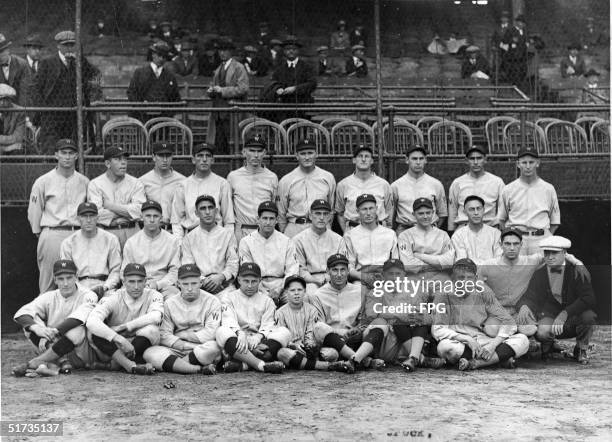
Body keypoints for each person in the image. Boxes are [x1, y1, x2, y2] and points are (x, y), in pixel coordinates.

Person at [433, 258, 529, 370]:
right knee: (444, 347)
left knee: (523, 340)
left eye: (469, 278)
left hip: (483, 340)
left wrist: (493, 345)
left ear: (475, 279)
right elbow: (437, 329)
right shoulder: (443, 295)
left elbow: (509, 321)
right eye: (461, 278)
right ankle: (497, 360)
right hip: (459, 341)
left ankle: (477, 363)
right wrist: (468, 340)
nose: (465, 282)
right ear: (453, 279)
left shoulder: (484, 292)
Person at [517, 236, 596, 364]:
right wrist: (524, 306)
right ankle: (548, 346)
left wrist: (566, 313)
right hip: (550, 316)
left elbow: (589, 298)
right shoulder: (539, 273)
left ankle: (581, 349)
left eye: (554, 253)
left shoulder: (577, 271)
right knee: (542, 332)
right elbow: (530, 295)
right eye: (547, 253)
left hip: (573, 317)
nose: (550, 257)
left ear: (564, 253)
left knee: (588, 317)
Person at [12, 259, 98, 377]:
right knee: (31, 323)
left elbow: (79, 317)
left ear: (76, 277)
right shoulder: (49, 296)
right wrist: (39, 329)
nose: (65, 283)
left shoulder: (88, 295)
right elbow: (21, 313)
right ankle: (55, 367)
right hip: (51, 347)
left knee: (77, 330)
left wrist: (54, 332)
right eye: (61, 279)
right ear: (55, 279)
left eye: (69, 277)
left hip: (80, 355)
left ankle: (33, 364)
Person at [360, 258, 445, 372]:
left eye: (398, 273)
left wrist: (420, 316)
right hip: (383, 341)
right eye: (390, 274)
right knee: (392, 323)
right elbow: (372, 315)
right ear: (383, 275)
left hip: (405, 341)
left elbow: (427, 316)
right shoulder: (375, 292)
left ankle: (413, 358)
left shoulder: (412, 292)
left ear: (404, 275)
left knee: (420, 322)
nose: (395, 277)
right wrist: (400, 315)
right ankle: (421, 359)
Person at [28, 138, 89, 293]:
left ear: (76, 156)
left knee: (79, 283)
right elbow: (34, 211)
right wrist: (41, 233)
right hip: (53, 232)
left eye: (71, 153)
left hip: (78, 234)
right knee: (48, 284)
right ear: (56, 155)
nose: (67, 157)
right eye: (63, 153)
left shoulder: (84, 182)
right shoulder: (43, 181)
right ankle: (44, 317)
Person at [309, 253, 386, 370]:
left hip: (356, 338)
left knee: (381, 322)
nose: (339, 275)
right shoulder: (318, 295)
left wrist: (358, 329)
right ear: (327, 271)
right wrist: (341, 333)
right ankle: (362, 360)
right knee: (320, 329)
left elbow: (364, 319)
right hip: (334, 341)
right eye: (335, 270)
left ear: (348, 271)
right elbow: (320, 326)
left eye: (343, 270)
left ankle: (354, 359)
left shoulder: (360, 291)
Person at [143, 264, 222, 374]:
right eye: (185, 284)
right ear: (178, 284)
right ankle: (198, 369)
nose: (190, 289)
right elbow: (164, 334)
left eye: (194, 283)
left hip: (201, 347)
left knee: (214, 347)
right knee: (149, 353)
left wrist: (183, 335)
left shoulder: (213, 301)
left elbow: (211, 333)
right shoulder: (169, 303)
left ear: (200, 282)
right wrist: (183, 345)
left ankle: (178, 366)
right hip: (177, 348)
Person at [86, 263, 162, 375]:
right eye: (131, 281)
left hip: (139, 343)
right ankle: (128, 365)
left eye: (140, 281)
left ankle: (117, 364)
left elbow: (156, 316)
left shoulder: (154, 294)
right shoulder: (113, 296)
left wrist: (126, 326)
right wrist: (118, 338)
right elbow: (92, 321)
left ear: (145, 281)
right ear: (124, 281)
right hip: (116, 346)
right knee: (94, 332)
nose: (136, 286)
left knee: (152, 330)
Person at [215, 262, 290, 373]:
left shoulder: (267, 300)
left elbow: (269, 324)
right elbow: (228, 320)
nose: (250, 285)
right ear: (239, 280)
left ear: (259, 280)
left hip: (259, 343)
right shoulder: (229, 298)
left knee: (284, 332)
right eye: (246, 281)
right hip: (239, 341)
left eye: (254, 281)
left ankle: (244, 364)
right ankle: (261, 365)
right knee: (222, 331)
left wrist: (259, 336)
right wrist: (240, 334)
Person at [31, 31, 99, 153]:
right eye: (66, 45)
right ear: (58, 46)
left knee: (71, 150)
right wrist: (42, 109)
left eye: (72, 45)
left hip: (72, 116)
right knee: (51, 150)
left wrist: (80, 59)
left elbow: (94, 74)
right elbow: (35, 87)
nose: (69, 48)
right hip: (52, 116)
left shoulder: (78, 62)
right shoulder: (48, 63)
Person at [275, 275, 354, 373]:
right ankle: (327, 366)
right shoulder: (280, 312)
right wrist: (292, 345)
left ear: (305, 292)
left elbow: (311, 332)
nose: (296, 293)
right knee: (282, 353)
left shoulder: (311, 310)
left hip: (310, 348)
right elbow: (282, 335)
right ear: (286, 292)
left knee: (332, 354)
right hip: (293, 349)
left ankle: (307, 363)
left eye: (299, 290)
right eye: (292, 290)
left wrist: (309, 347)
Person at [498, 146, 560, 255]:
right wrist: (511, 237)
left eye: (531, 162)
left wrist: (545, 236)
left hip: (541, 240)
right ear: (518, 164)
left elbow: (554, 222)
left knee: (540, 272)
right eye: (524, 162)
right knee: (516, 271)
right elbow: (501, 220)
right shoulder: (508, 189)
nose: (527, 166)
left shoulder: (548, 188)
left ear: (538, 163)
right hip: (516, 240)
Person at [238, 201, 299, 304]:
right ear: (258, 219)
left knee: (295, 299)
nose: (268, 222)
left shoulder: (286, 241)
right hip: (256, 285)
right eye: (264, 218)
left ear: (276, 220)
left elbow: (292, 270)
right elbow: (247, 271)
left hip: (281, 285)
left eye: (271, 219)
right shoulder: (246, 242)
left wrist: (279, 290)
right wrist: (264, 292)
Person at [87, 146, 146, 249]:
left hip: (132, 232)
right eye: (118, 159)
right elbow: (96, 214)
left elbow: (140, 211)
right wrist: (127, 213)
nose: (123, 163)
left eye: (125, 159)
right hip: (106, 232)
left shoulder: (136, 183)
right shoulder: (95, 184)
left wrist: (110, 206)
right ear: (107, 164)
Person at [60, 202, 122, 298]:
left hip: (104, 287)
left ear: (97, 218)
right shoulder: (68, 243)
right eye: (84, 216)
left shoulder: (110, 239)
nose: (88, 220)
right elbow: (67, 273)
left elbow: (116, 271)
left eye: (92, 216)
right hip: (78, 289)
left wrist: (105, 287)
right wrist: (82, 290)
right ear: (78, 218)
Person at [171, 143, 234, 237]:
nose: (204, 159)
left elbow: (228, 219)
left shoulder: (222, 184)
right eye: (200, 156)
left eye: (208, 156)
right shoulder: (183, 185)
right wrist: (179, 243)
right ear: (193, 159)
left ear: (213, 160)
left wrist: (229, 242)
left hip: (216, 235)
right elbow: (177, 220)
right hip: (191, 235)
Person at [181, 195, 239, 297]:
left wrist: (221, 277)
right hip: (199, 287)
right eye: (203, 209)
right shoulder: (189, 238)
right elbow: (188, 266)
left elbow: (233, 263)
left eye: (210, 208)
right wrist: (205, 281)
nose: (207, 212)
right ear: (196, 213)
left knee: (229, 307)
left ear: (216, 211)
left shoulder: (227, 234)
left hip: (225, 287)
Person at [277, 138, 336, 237]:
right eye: (303, 153)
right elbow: (281, 212)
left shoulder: (327, 177)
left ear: (316, 154)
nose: (307, 157)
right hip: (295, 227)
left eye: (310, 153)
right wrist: (284, 232)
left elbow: (331, 209)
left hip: (321, 227)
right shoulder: (286, 180)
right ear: (296, 156)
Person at [122, 200, 180, 300]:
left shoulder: (172, 241)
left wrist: (158, 284)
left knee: (174, 298)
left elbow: (175, 271)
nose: (152, 220)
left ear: (161, 219)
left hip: (164, 285)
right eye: (148, 216)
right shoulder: (132, 242)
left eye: (155, 216)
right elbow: (124, 272)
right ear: (141, 217)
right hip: (137, 285)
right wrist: (139, 283)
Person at [227, 136, 278, 242]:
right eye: (252, 151)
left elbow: (274, 205)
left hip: (265, 232)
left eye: (259, 151)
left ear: (264, 153)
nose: (256, 155)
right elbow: (229, 208)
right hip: (241, 231)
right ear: (244, 152)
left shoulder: (272, 177)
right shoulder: (233, 176)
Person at [340, 194, 398, 287]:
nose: (368, 213)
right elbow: (348, 266)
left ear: (376, 209)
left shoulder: (390, 234)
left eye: (371, 208)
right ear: (357, 211)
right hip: (361, 278)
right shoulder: (350, 235)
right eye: (364, 209)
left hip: (386, 277)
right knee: (357, 292)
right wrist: (363, 277)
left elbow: (396, 262)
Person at [336, 144, 393, 233]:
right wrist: (346, 232)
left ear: (372, 161)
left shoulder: (383, 184)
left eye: (367, 156)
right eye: (360, 156)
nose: (363, 159)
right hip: (353, 230)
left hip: (378, 231)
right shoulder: (343, 184)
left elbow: (389, 211)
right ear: (354, 160)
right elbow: (340, 212)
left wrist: (386, 231)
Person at [391, 144, 447, 234]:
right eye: (414, 159)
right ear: (407, 160)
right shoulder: (396, 185)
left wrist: (431, 229)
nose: (418, 162)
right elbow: (391, 215)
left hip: (429, 229)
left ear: (425, 160)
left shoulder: (436, 184)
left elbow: (442, 214)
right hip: (405, 230)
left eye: (421, 158)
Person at [447, 145, 504, 232]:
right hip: (464, 229)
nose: (476, 162)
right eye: (472, 158)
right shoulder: (458, 183)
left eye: (479, 158)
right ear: (466, 161)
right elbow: (452, 211)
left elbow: (503, 209)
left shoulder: (497, 182)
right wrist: (450, 232)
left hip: (489, 228)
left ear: (485, 159)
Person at [206, 39, 249, 153]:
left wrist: (222, 90)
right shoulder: (218, 68)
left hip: (232, 111)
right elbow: (215, 86)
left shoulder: (239, 67)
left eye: (225, 50)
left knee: (233, 142)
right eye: (220, 50)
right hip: (218, 111)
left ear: (231, 52)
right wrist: (211, 91)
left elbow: (243, 88)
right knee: (219, 144)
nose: (222, 53)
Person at [292, 199, 342, 296]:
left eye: (325, 214)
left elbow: (341, 266)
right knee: (312, 293)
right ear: (310, 216)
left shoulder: (338, 239)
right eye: (318, 214)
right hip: (310, 281)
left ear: (330, 217)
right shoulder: (298, 240)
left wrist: (329, 279)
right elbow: (300, 269)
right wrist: (315, 281)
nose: (322, 218)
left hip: (334, 278)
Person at [398, 198, 454, 280]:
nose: (425, 217)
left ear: (433, 213)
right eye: (421, 213)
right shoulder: (405, 235)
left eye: (428, 213)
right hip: (415, 278)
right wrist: (438, 264)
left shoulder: (443, 235)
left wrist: (419, 256)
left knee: (447, 291)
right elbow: (408, 265)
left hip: (440, 278)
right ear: (414, 214)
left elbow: (449, 262)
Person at [126, 41, 181, 122]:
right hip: (142, 118)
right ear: (153, 55)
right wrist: (140, 106)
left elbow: (176, 98)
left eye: (164, 56)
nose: (161, 59)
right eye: (159, 55)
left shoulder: (170, 76)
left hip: (163, 120)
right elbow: (131, 93)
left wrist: (168, 113)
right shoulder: (139, 72)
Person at [140, 142, 186, 228]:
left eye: (168, 155)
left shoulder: (182, 181)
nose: (165, 159)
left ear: (172, 157)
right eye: (161, 155)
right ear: (153, 157)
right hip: (150, 229)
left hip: (173, 229)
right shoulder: (143, 181)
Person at [269, 36, 317, 117]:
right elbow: (273, 82)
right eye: (288, 49)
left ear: (298, 51)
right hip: (284, 105)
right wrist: (278, 89)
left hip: (302, 104)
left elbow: (312, 83)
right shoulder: (279, 68)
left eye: (294, 49)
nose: (291, 51)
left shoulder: (306, 66)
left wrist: (295, 89)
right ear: (284, 51)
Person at [451, 195, 501, 264]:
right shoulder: (458, 236)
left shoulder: (495, 234)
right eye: (471, 209)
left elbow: (499, 260)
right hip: (468, 273)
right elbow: (462, 262)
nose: (476, 213)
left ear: (484, 210)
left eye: (479, 208)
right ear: (465, 212)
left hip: (492, 273)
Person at [0, 33, 29, 106]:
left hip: (17, 105)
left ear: (8, 50)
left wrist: (21, 111)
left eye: (1, 52)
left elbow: (24, 92)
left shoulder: (22, 64)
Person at [500, 15, 528, 86]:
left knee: (523, 72)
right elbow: (504, 41)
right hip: (513, 56)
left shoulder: (524, 31)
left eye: (523, 23)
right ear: (517, 23)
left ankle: (520, 86)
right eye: (521, 22)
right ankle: (514, 86)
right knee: (514, 72)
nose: (522, 24)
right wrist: (511, 41)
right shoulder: (510, 30)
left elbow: (525, 41)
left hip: (522, 56)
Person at [0, 83, 25, 154]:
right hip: (10, 146)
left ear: (10, 100)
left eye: (5, 99)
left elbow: (18, 137)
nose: (2, 103)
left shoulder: (19, 112)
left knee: (19, 149)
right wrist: (5, 148)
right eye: (0, 99)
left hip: (13, 147)